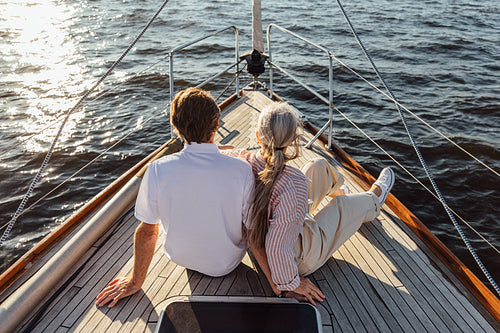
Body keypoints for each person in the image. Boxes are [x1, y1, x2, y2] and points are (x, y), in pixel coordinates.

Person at [222, 102, 395, 305]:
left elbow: (213, 153)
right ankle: (374, 199)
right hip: (296, 255)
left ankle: (337, 190)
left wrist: (221, 149)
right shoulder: (293, 184)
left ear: (259, 136)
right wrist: (291, 283)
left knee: (317, 165)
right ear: (294, 140)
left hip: (277, 230)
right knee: (343, 206)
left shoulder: (241, 160)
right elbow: (277, 248)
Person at [96, 88, 254, 308]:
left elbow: (148, 231)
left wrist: (134, 281)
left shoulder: (157, 169)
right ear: (216, 125)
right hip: (226, 264)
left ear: (177, 128)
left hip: (180, 258)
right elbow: (251, 227)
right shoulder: (242, 170)